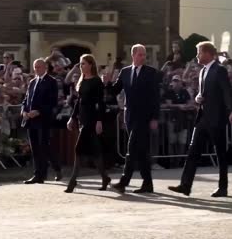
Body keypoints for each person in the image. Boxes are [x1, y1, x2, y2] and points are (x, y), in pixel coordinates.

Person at [168, 42, 232, 197]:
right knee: (193, 151)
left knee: (220, 153)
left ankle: (223, 187)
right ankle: (185, 185)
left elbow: (227, 91)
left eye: (199, 52)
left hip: (217, 118)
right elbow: (204, 92)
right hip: (203, 117)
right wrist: (199, 97)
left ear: (208, 53)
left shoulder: (219, 70)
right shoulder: (202, 72)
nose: (197, 55)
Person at [103, 44, 161, 194]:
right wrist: (108, 82)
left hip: (145, 116)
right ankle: (148, 184)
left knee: (131, 148)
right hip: (130, 116)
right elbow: (115, 90)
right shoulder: (125, 72)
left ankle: (124, 181)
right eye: (140, 54)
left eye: (144, 55)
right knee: (141, 151)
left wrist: (155, 117)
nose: (143, 57)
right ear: (133, 55)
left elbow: (155, 97)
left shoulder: (151, 73)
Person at [64, 54, 111, 193]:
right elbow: (79, 102)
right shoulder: (82, 80)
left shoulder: (96, 81)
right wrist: (72, 117)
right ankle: (105, 177)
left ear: (91, 65)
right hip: (83, 118)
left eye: (84, 63)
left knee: (78, 149)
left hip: (92, 119)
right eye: (80, 64)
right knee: (95, 151)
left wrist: (99, 120)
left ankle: (72, 181)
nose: (81, 66)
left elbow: (100, 103)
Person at [21, 58, 61, 184]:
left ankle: (53, 169)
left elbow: (53, 102)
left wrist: (39, 111)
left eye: (38, 67)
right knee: (35, 147)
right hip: (30, 120)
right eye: (35, 67)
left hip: (43, 119)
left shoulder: (51, 82)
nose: (36, 69)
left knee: (44, 146)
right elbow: (26, 100)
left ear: (45, 68)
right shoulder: (32, 82)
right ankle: (38, 174)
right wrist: (24, 111)